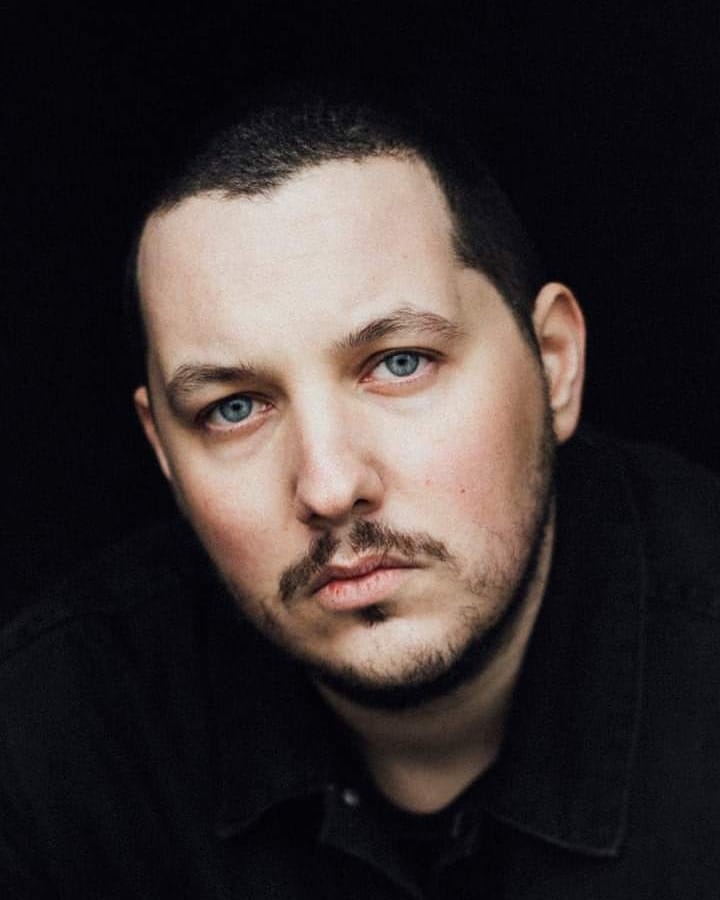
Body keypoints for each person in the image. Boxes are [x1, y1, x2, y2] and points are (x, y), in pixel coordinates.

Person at [1, 90, 718, 899]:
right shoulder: (49, 746)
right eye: (234, 409)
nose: (331, 487)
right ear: (164, 450)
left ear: (553, 364)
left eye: (399, 363)